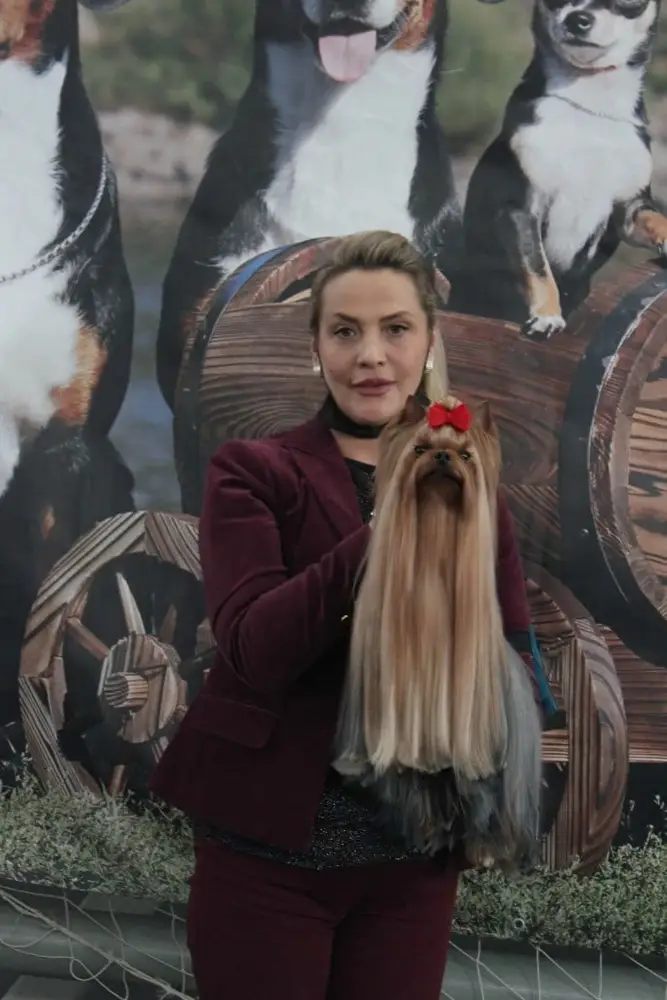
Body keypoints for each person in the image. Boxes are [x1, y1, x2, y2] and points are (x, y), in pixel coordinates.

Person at [151, 230, 542, 1000]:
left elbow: (513, 646)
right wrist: (385, 533)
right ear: (316, 349)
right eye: (344, 331)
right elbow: (253, 649)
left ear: (428, 342)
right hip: (267, 861)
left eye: (394, 329)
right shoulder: (253, 472)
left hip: (410, 869)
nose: (370, 355)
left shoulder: (472, 485)